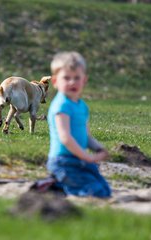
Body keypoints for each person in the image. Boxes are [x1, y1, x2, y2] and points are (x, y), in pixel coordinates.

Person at [46, 51, 111, 198]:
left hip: (79, 160)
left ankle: (60, 185)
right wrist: (87, 157)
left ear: (84, 80)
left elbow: (86, 136)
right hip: (64, 162)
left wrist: (99, 148)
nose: (72, 82)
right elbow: (65, 138)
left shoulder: (82, 106)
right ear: (55, 82)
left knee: (105, 189)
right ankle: (53, 186)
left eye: (77, 78)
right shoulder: (61, 106)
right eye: (66, 78)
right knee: (96, 192)